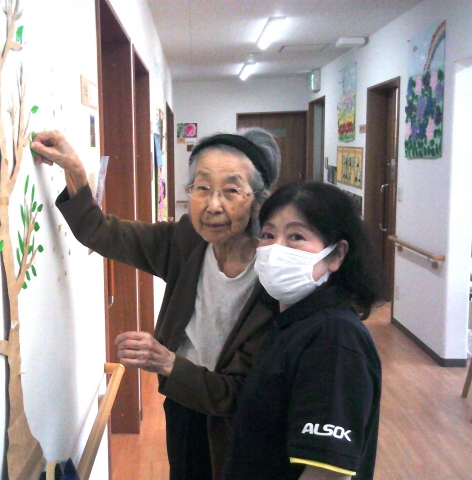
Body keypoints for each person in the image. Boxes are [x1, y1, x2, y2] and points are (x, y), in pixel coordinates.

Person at [30, 128, 281, 479]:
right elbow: (101, 231)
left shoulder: (277, 273)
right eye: (202, 187)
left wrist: (166, 361)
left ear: (258, 201)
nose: (213, 205)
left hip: (243, 422)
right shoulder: (185, 241)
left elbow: (240, 391)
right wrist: (74, 171)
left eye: (231, 190)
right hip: (184, 404)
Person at [221, 181, 383, 480]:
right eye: (268, 235)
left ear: (336, 255)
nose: (276, 249)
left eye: (296, 236)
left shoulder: (333, 338)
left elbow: (326, 473)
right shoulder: (292, 321)